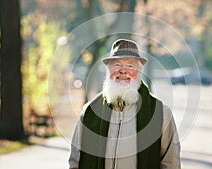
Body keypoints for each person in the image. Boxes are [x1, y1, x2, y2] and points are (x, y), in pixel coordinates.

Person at [69, 39, 181, 169]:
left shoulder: (161, 113)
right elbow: (75, 161)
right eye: (116, 65)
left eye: (130, 66)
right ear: (108, 71)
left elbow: (171, 163)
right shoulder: (90, 111)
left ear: (139, 72)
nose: (123, 71)